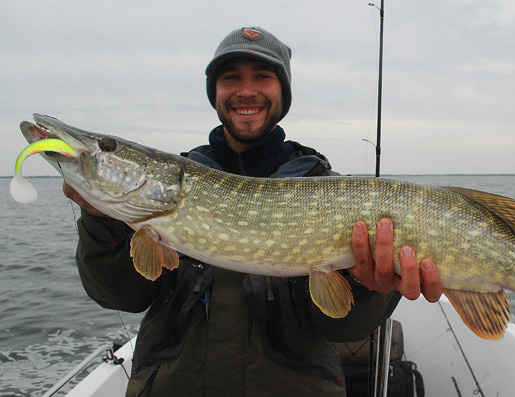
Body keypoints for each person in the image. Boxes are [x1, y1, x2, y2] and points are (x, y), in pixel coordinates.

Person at [63, 27, 442, 396]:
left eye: (262, 76)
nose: (246, 91)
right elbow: (121, 297)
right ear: (215, 92)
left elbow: (343, 327)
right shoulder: (163, 199)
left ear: (282, 92)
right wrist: (100, 221)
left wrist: (365, 285)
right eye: (230, 78)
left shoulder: (324, 185)